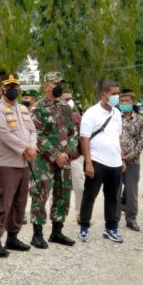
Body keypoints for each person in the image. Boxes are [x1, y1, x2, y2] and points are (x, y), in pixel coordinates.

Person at [0, 74, 37, 256]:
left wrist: (32, 146)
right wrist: (24, 148)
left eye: (15, 86)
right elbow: (3, 133)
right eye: (9, 87)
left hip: (23, 163)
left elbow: (32, 130)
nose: (13, 90)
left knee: (19, 202)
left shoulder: (23, 109)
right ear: (2, 89)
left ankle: (13, 237)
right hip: (5, 163)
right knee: (2, 202)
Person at [29, 71, 79, 248]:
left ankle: (57, 232)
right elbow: (37, 135)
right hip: (44, 161)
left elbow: (73, 132)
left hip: (64, 159)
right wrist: (55, 154)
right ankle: (37, 234)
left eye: (61, 83)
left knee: (63, 194)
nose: (59, 87)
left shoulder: (65, 107)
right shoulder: (37, 108)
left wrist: (68, 152)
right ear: (46, 86)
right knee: (40, 195)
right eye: (56, 83)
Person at [78, 80, 124, 243]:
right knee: (90, 195)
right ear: (103, 95)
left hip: (115, 162)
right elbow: (84, 138)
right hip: (97, 161)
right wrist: (88, 162)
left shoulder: (117, 114)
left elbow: (118, 137)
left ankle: (111, 228)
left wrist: (122, 158)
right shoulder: (91, 113)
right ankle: (84, 227)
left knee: (113, 197)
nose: (116, 97)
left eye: (118, 93)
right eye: (113, 94)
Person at [117, 89, 143, 231]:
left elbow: (142, 141)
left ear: (133, 103)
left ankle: (131, 218)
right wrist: (118, 156)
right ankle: (113, 219)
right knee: (115, 191)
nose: (124, 103)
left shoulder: (140, 119)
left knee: (132, 191)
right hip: (115, 161)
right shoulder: (115, 118)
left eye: (127, 101)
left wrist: (130, 155)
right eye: (122, 101)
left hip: (132, 161)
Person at [63, 92, 85, 220]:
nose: (69, 101)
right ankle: (57, 217)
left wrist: (85, 157)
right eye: (66, 99)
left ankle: (80, 213)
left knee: (80, 187)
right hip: (58, 159)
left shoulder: (77, 116)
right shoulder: (53, 116)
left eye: (71, 99)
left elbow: (83, 137)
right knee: (58, 191)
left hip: (75, 158)